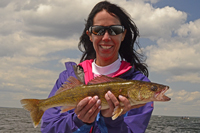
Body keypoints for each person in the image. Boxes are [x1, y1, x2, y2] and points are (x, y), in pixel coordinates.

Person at [41, 1, 153, 133]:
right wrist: (78, 121)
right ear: (90, 35)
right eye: (98, 30)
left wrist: (111, 120)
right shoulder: (68, 76)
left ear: (123, 35)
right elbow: (49, 128)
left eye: (115, 30)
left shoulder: (141, 86)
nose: (106, 37)